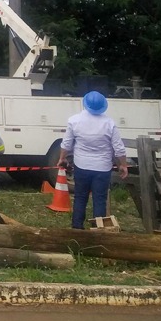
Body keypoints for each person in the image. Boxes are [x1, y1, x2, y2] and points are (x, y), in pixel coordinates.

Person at [57, 91, 129, 230]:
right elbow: (119, 148)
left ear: (85, 103)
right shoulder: (109, 123)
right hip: (102, 168)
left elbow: (66, 144)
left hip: (81, 166)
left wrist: (62, 158)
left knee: (80, 197)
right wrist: (123, 165)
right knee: (100, 200)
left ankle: (77, 228)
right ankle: (98, 229)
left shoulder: (74, 120)